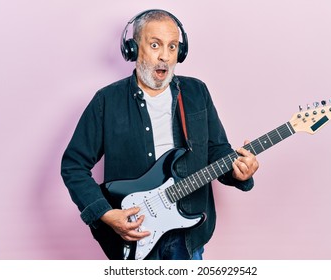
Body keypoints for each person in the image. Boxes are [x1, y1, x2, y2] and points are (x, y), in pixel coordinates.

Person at [61, 9, 259, 260]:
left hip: (188, 232)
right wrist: (105, 214)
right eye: (155, 45)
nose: (165, 56)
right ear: (132, 49)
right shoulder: (107, 100)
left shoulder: (196, 92)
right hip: (134, 231)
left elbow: (215, 150)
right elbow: (73, 165)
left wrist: (238, 170)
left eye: (173, 46)